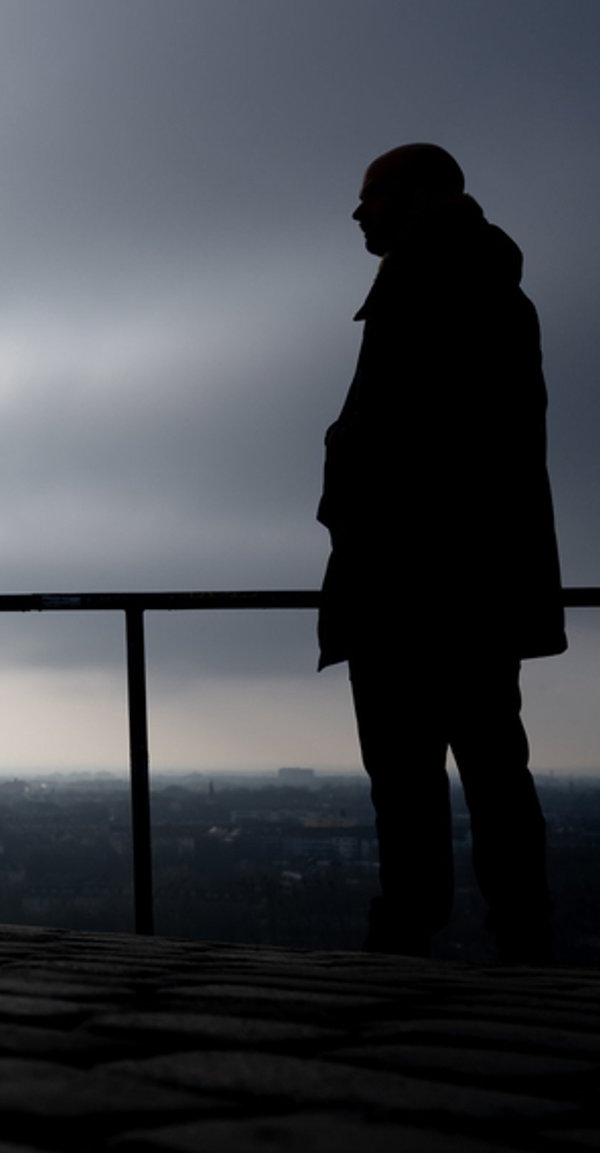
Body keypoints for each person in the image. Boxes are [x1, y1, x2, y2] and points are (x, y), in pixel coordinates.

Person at [317, 143, 563, 962]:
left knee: (412, 781)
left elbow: (405, 445)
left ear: (420, 195)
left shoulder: (424, 287)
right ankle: (521, 939)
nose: (358, 212)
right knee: (494, 771)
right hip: (473, 582)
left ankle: (409, 940)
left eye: (372, 195)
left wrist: (353, 508)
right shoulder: (489, 288)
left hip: (410, 584)